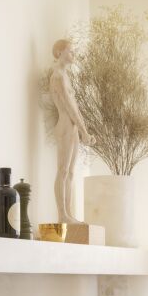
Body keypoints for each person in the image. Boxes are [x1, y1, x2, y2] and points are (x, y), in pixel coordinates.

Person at [49, 38, 93, 223]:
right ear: (59, 52)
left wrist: (84, 129)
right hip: (66, 126)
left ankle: (68, 213)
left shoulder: (65, 76)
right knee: (63, 170)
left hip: (73, 126)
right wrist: (83, 129)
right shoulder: (57, 76)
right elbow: (68, 106)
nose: (73, 54)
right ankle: (62, 215)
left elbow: (75, 106)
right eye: (70, 50)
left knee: (72, 172)